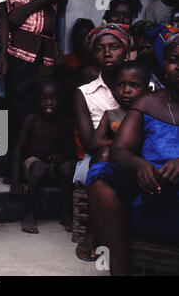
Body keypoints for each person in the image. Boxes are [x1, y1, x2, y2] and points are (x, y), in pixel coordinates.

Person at [85, 34, 179, 275]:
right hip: (150, 195)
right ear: (164, 66)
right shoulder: (148, 103)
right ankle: (120, 269)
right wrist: (139, 166)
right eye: (173, 59)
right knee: (100, 176)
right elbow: (119, 151)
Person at [73, 23, 134, 261]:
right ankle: (94, 232)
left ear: (125, 50)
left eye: (115, 47)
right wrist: (120, 145)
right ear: (93, 54)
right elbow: (90, 143)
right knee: (106, 157)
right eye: (100, 48)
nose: (107, 53)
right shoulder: (84, 92)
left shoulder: (144, 85)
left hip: (135, 153)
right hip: (96, 157)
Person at [5, 0, 73, 171]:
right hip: (13, 35)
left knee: (26, 99)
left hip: (31, 36)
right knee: (16, 99)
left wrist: (26, 9)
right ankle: (18, 162)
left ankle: (24, 162)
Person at [9, 79, 74, 234]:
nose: (49, 103)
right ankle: (29, 213)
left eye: (54, 98)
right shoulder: (32, 120)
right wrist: (15, 182)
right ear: (37, 100)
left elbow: (69, 150)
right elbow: (18, 151)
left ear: (61, 100)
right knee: (38, 168)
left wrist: (61, 156)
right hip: (33, 164)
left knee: (67, 168)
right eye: (44, 99)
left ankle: (66, 214)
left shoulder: (64, 121)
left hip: (52, 165)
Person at [89, 60, 152, 164]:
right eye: (121, 84)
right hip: (117, 162)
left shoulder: (151, 115)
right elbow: (94, 143)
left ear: (148, 90)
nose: (126, 90)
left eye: (134, 85)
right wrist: (121, 144)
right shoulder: (111, 115)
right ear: (114, 88)